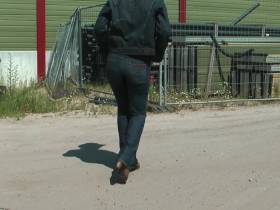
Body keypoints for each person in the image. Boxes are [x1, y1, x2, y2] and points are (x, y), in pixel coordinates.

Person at [94, 0, 171, 184]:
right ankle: (125, 158)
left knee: (124, 109)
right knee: (137, 113)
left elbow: (99, 27)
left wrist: (107, 50)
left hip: (115, 60)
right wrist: (157, 54)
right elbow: (165, 31)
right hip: (138, 61)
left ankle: (128, 162)